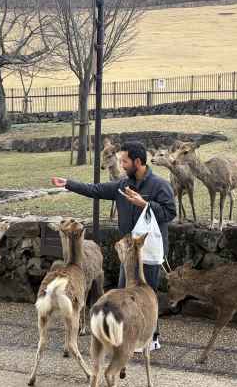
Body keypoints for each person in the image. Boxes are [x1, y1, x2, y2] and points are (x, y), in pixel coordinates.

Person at [51, 140, 176, 351]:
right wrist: (68, 183)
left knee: (148, 296)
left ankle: (151, 338)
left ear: (137, 162)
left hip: (150, 251)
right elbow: (96, 190)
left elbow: (170, 213)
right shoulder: (122, 185)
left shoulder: (160, 186)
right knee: (123, 295)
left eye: (124, 161)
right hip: (127, 253)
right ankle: (126, 337)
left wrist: (145, 204)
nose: (122, 164)